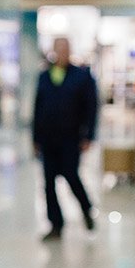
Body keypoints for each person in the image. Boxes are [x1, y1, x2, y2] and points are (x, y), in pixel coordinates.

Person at [33, 37, 98, 241]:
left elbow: (91, 108)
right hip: (48, 138)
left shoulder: (82, 76)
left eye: (65, 49)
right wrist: (35, 138)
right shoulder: (45, 76)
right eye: (58, 49)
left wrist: (88, 135)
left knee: (71, 175)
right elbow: (38, 108)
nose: (61, 53)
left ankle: (86, 209)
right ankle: (55, 224)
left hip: (71, 137)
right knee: (48, 182)